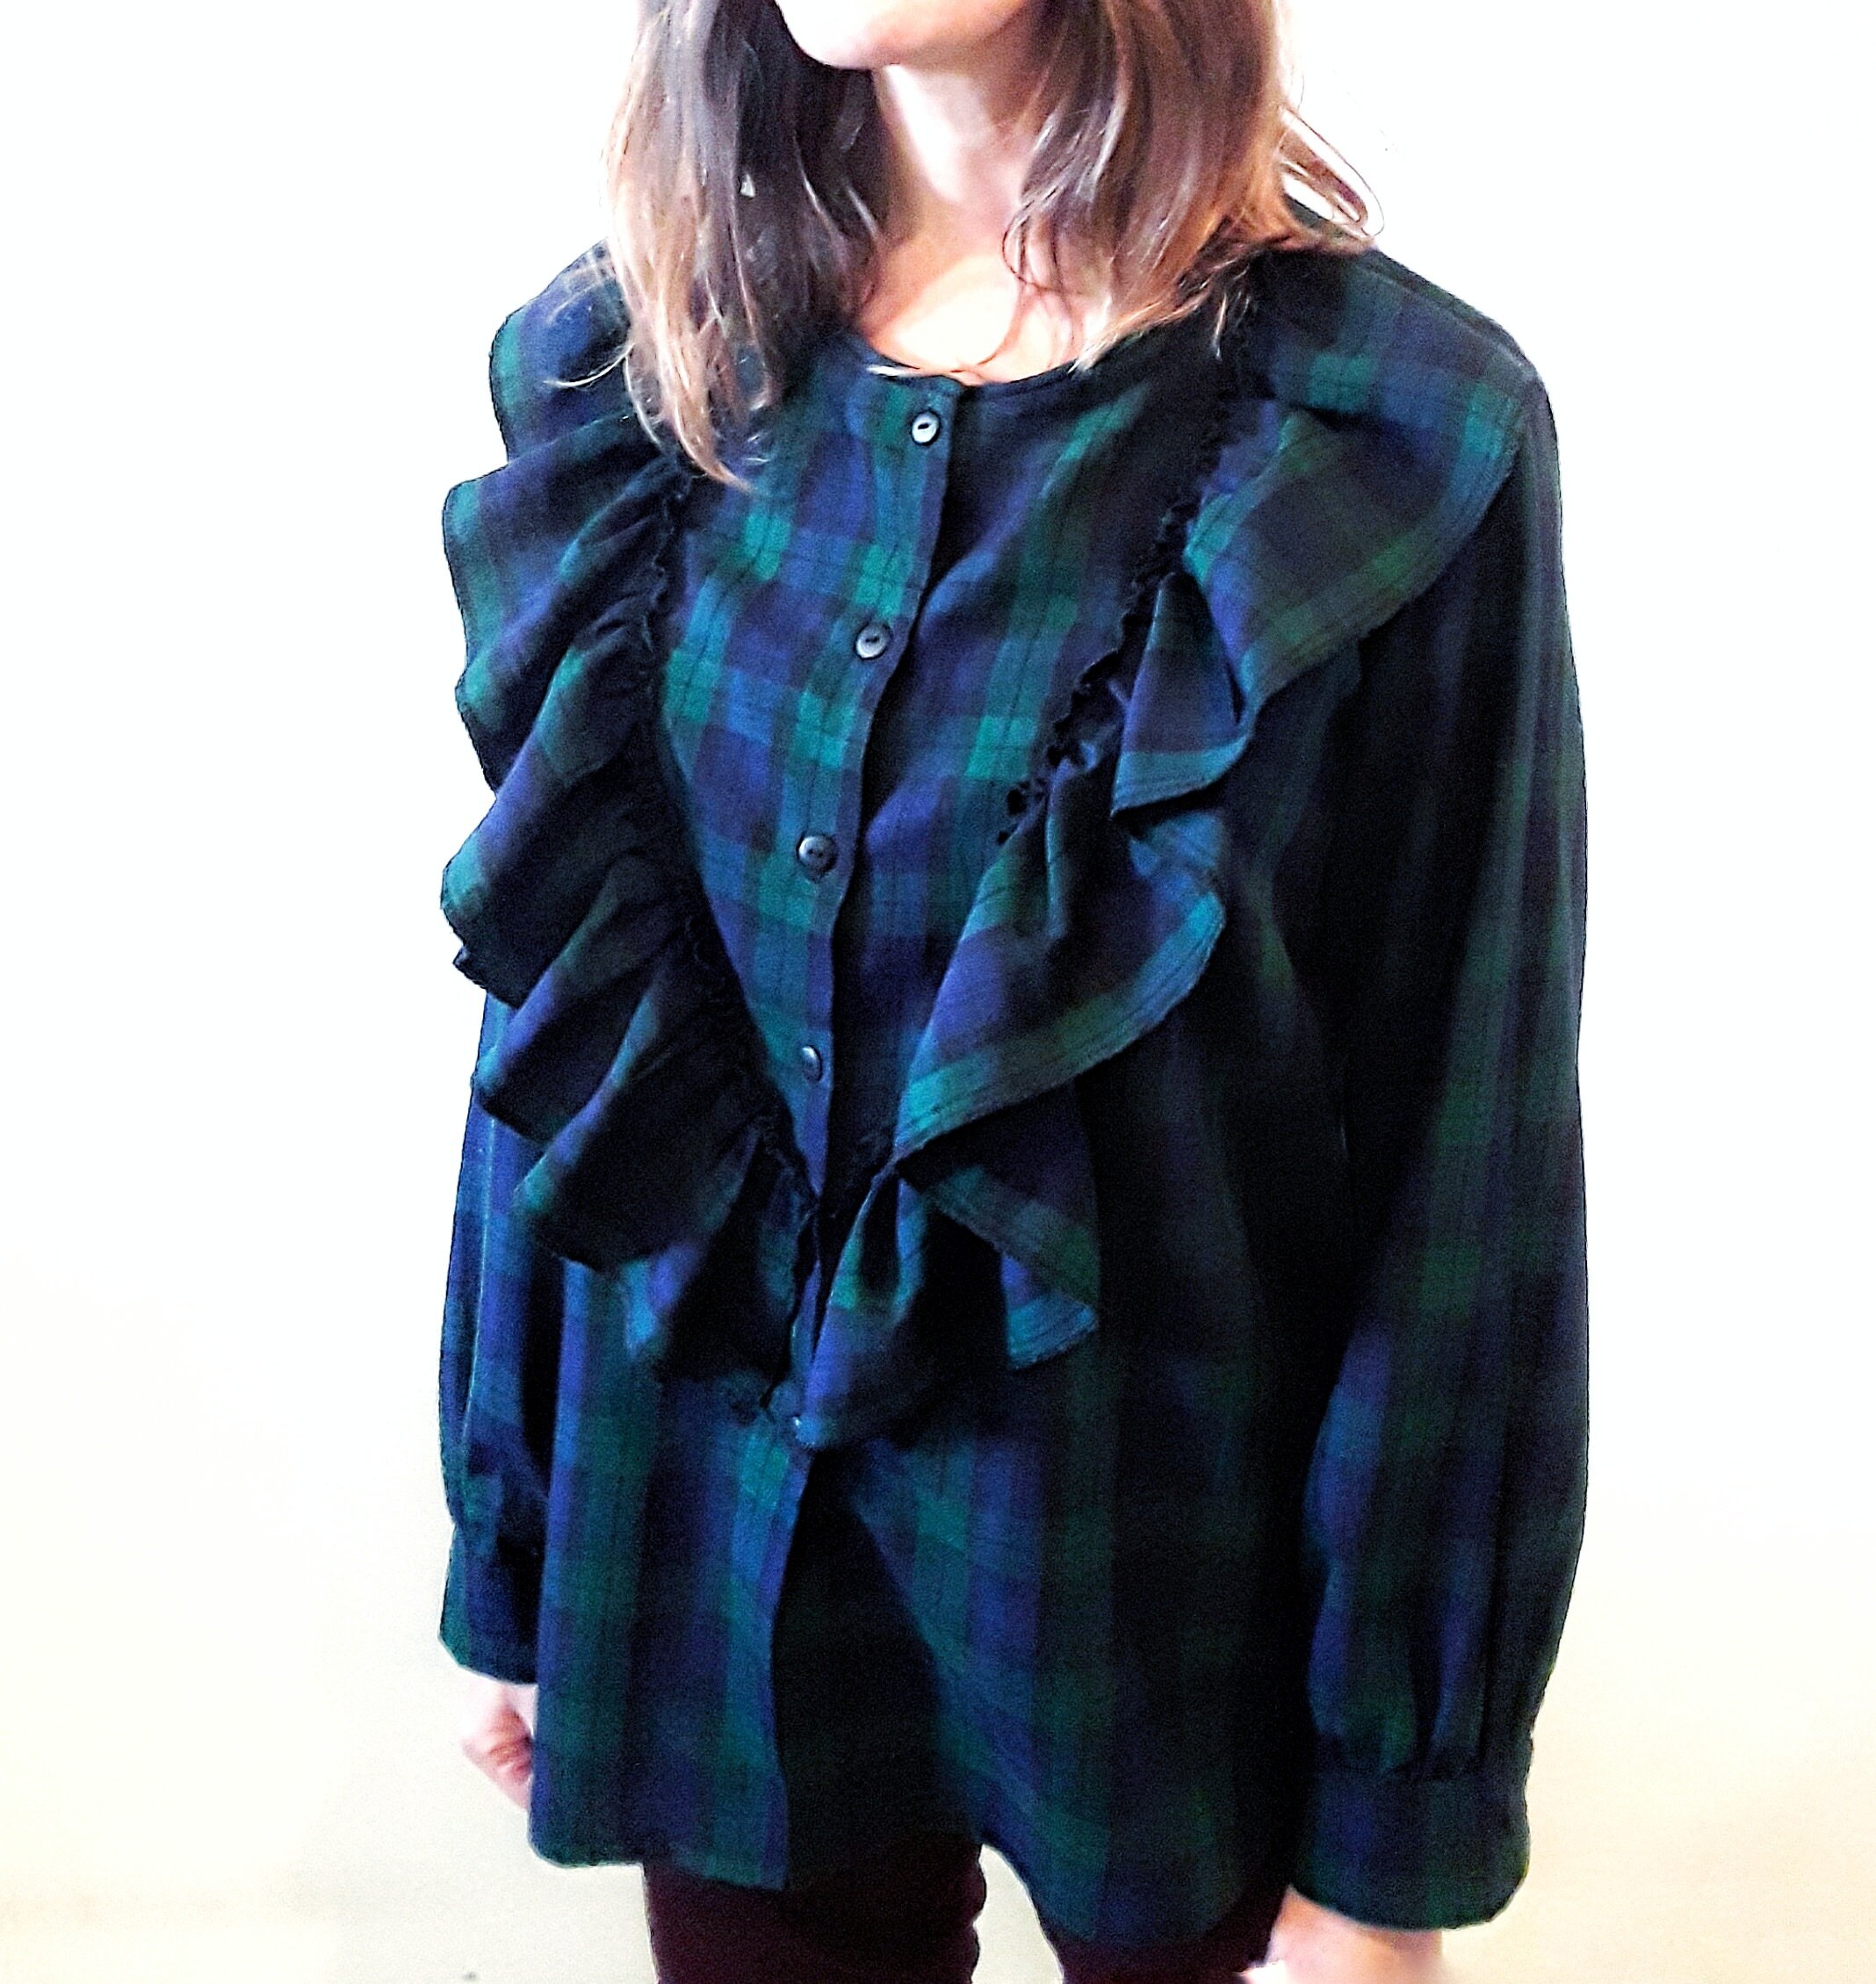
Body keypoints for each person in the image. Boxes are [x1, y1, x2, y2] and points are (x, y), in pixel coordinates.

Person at [435, 1, 1590, 1979]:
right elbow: (562, 1013)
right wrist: (517, 1539)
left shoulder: (1392, 434)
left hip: (1167, 1605)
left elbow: (1461, 1161)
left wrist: (1395, 1823)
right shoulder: (641, 373)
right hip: (712, 1557)